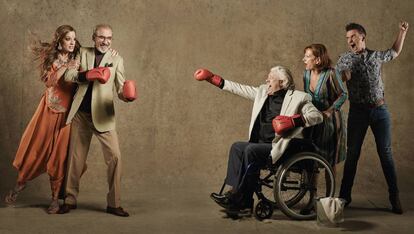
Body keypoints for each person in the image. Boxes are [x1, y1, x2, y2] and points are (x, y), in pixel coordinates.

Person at [194, 66, 323, 215]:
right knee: (237, 147)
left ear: (281, 82)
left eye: (270, 78)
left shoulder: (299, 97)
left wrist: (294, 121)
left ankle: (241, 200)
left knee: (250, 150)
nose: (266, 80)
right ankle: (237, 195)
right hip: (260, 143)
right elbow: (239, 89)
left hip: (278, 146)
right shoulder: (262, 92)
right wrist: (213, 78)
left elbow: (316, 115)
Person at [60, 24, 136, 217]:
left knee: (116, 157)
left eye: (109, 38)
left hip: (103, 115)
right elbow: (68, 75)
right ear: (94, 37)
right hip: (81, 115)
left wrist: (126, 96)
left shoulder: (117, 59)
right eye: (101, 37)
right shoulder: (82, 53)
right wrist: (87, 75)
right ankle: (69, 199)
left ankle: (114, 203)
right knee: (75, 159)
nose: (105, 41)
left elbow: (120, 88)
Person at [4, 25, 80, 214]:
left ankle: (55, 199)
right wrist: (65, 67)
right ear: (59, 41)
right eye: (67, 39)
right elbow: (49, 82)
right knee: (35, 150)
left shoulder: (78, 58)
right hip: (47, 111)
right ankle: (20, 184)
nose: (71, 43)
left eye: (73, 39)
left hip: (66, 116)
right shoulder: (53, 59)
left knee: (59, 157)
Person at [336, 21, 409, 214]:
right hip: (357, 113)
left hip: (380, 111)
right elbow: (339, 77)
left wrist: (402, 32)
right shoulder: (344, 59)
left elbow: (394, 51)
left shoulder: (376, 56)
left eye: (352, 36)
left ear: (362, 37)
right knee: (352, 154)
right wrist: (344, 76)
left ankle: (394, 197)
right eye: (347, 38)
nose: (349, 40)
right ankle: (344, 196)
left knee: (385, 154)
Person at [302, 44, 347, 171]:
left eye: (307, 56)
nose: (304, 59)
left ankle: (330, 191)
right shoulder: (306, 74)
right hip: (313, 119)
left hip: (331, 121)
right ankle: (312, 191)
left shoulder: (331, 73)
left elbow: (343, 94)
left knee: (330, 159)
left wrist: (329, 111)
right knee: (311, 156)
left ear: (318, 60)